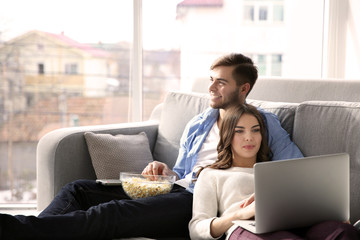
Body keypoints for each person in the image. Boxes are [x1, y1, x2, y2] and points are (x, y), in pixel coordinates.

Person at [0, 53, 303, 239]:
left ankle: (14, 230)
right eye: (211, 80)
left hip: (201, 201)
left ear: (243, 88)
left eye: (220, 82)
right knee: (78, 190)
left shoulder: (263, 124)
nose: (210, 88)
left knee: (112, 213)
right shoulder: (200, 122)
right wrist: (165, 171)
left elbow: (295, 172)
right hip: (181, 190)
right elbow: (185, 173)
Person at [189, 104, 360, 240]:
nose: (249, 137)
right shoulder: (211, 174)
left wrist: (331, 213)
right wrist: (242, 213)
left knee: (344, 231)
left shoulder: (280, 171)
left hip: (296, 224)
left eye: (255, 130)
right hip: (245, 228)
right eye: (239, 131)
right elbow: (196, 229)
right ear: (227, 136)